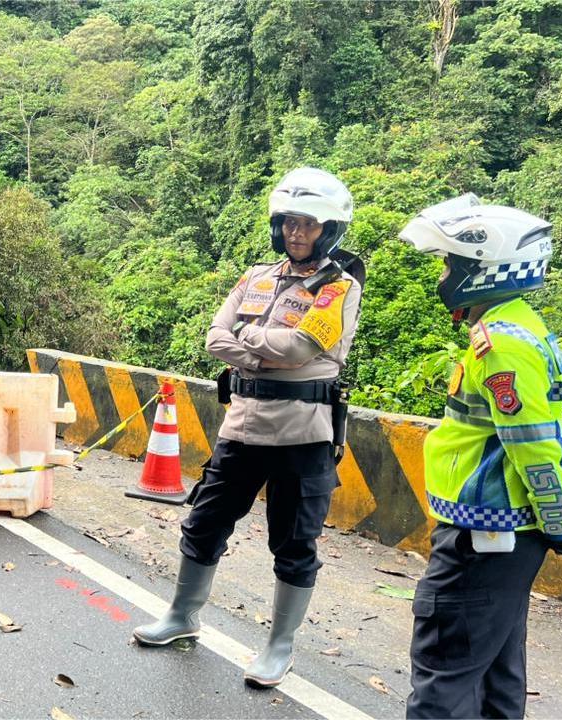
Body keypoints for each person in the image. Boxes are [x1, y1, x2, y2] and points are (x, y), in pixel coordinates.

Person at [132, 167, 364, 689]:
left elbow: (300, 348)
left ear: (328, 230)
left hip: (304, 436)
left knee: (294, 541)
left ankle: (279, 647)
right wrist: (262, 346)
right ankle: (182, 616)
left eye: (307, 224)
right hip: (242, 429)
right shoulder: (256, 277)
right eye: (288, 223)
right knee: (204, 521)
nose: (296, 234)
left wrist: (247, 341)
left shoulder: (339, 288)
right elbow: (216, 339)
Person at [398, 195, 562, 719]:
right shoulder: (516, 326)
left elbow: (533, 444)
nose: (444, 274)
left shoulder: (501, 343)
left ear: (485, 270)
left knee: (445, 671)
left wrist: (561, 521)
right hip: (501, 534)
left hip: (484, 537)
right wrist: (559, 516)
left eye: (452, 263)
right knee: (494, 671)